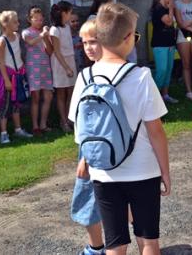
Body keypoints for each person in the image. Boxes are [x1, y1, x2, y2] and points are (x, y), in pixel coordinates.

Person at [68, 3, 170, 255]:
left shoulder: (85, 77)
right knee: (148, 240)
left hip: (104, 173)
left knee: (115, 243)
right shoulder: (141, 76)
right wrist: (165, 172)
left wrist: (87, 160)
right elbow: (156, 131)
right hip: (143, 170)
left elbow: (80, 128)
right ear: (127, 38)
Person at [71, 20, 105, 255]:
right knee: (88, 198)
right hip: (91, 149)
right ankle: (96, 247)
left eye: (94, 41)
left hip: (117, 150)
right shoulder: (85, 76)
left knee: (124, 200)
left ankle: (144, 242)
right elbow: (79, 120)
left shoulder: (124, 72)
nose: (89, 48)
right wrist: (84, 157)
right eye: (85, 43)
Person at [0, 10, 33, 144]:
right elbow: (1, 62)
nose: (18, 24)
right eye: (15, 22)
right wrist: (6, 80)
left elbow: (18, 54)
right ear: (5, 24)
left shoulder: (17, 36)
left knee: (16, 103)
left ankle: (18, 129)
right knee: (5, 106)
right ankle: (3, 133)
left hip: (18, 74)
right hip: (8, 76)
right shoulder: (2, 41)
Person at [22, 6, 54, 135]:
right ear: (29, 19)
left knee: (48, 96)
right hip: (33, 67)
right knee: (35, 97)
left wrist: (46, 37)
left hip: (45, 66)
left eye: (41, 19)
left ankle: (43, 124)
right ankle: (35, 126)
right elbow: (31, 43)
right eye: (36, 19)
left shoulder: (44, 33)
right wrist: (42, 35)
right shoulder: (26, 32)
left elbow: (50, 51)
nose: (39, 22)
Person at [50, 1, 77, 133]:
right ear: (63, 13)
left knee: (71, 91)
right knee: (61, 93)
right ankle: (63, 121)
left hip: (70, 60)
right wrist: (66, 67)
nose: (71, 15)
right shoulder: (54, 30)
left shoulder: (66, 27)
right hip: (60, 63)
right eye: (69, 12)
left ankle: (68, 117)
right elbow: (57, 51)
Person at [151, 0, 178, 104]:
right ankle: (154, 97)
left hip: (170, 43)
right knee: (161, 70)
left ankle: (165, 95)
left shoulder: (167, 9)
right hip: (160, 44)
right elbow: (169, 22)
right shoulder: (159, 9)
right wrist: (171, 8)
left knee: (168, 69)